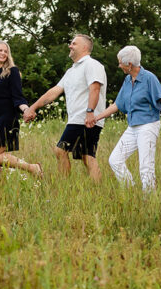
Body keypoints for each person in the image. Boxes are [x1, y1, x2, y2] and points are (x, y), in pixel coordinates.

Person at [93, 46, 161, 191]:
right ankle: (131, 191)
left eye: (120, 62)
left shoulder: (149, 78)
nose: (119, 65)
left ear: (129, 65)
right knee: (115, 160)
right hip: (132, 127)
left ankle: (149, 201)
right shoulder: (127, 80)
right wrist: (97, 117)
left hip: (148, 125)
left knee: (146, 167)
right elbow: (117, 104)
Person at [23, 34, 106, 181]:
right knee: (88, 156)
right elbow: (54, 92)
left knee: (60, 150)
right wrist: (33, 107)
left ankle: (63, 185)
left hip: (84, 118)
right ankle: (98, 190)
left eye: (74, 43)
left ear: (85, 47)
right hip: (81, 119)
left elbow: (95, 89)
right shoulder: (71, 71)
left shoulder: (92, 65)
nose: (70, 46)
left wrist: (90, 112)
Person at [0, 40, 42, 176]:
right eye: (0, 50)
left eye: (6, 51)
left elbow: (18, 97)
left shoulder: (12, 71)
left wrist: (26, 109)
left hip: (4, 117)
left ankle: (33, 168)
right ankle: (0, 190)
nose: (3, 53)